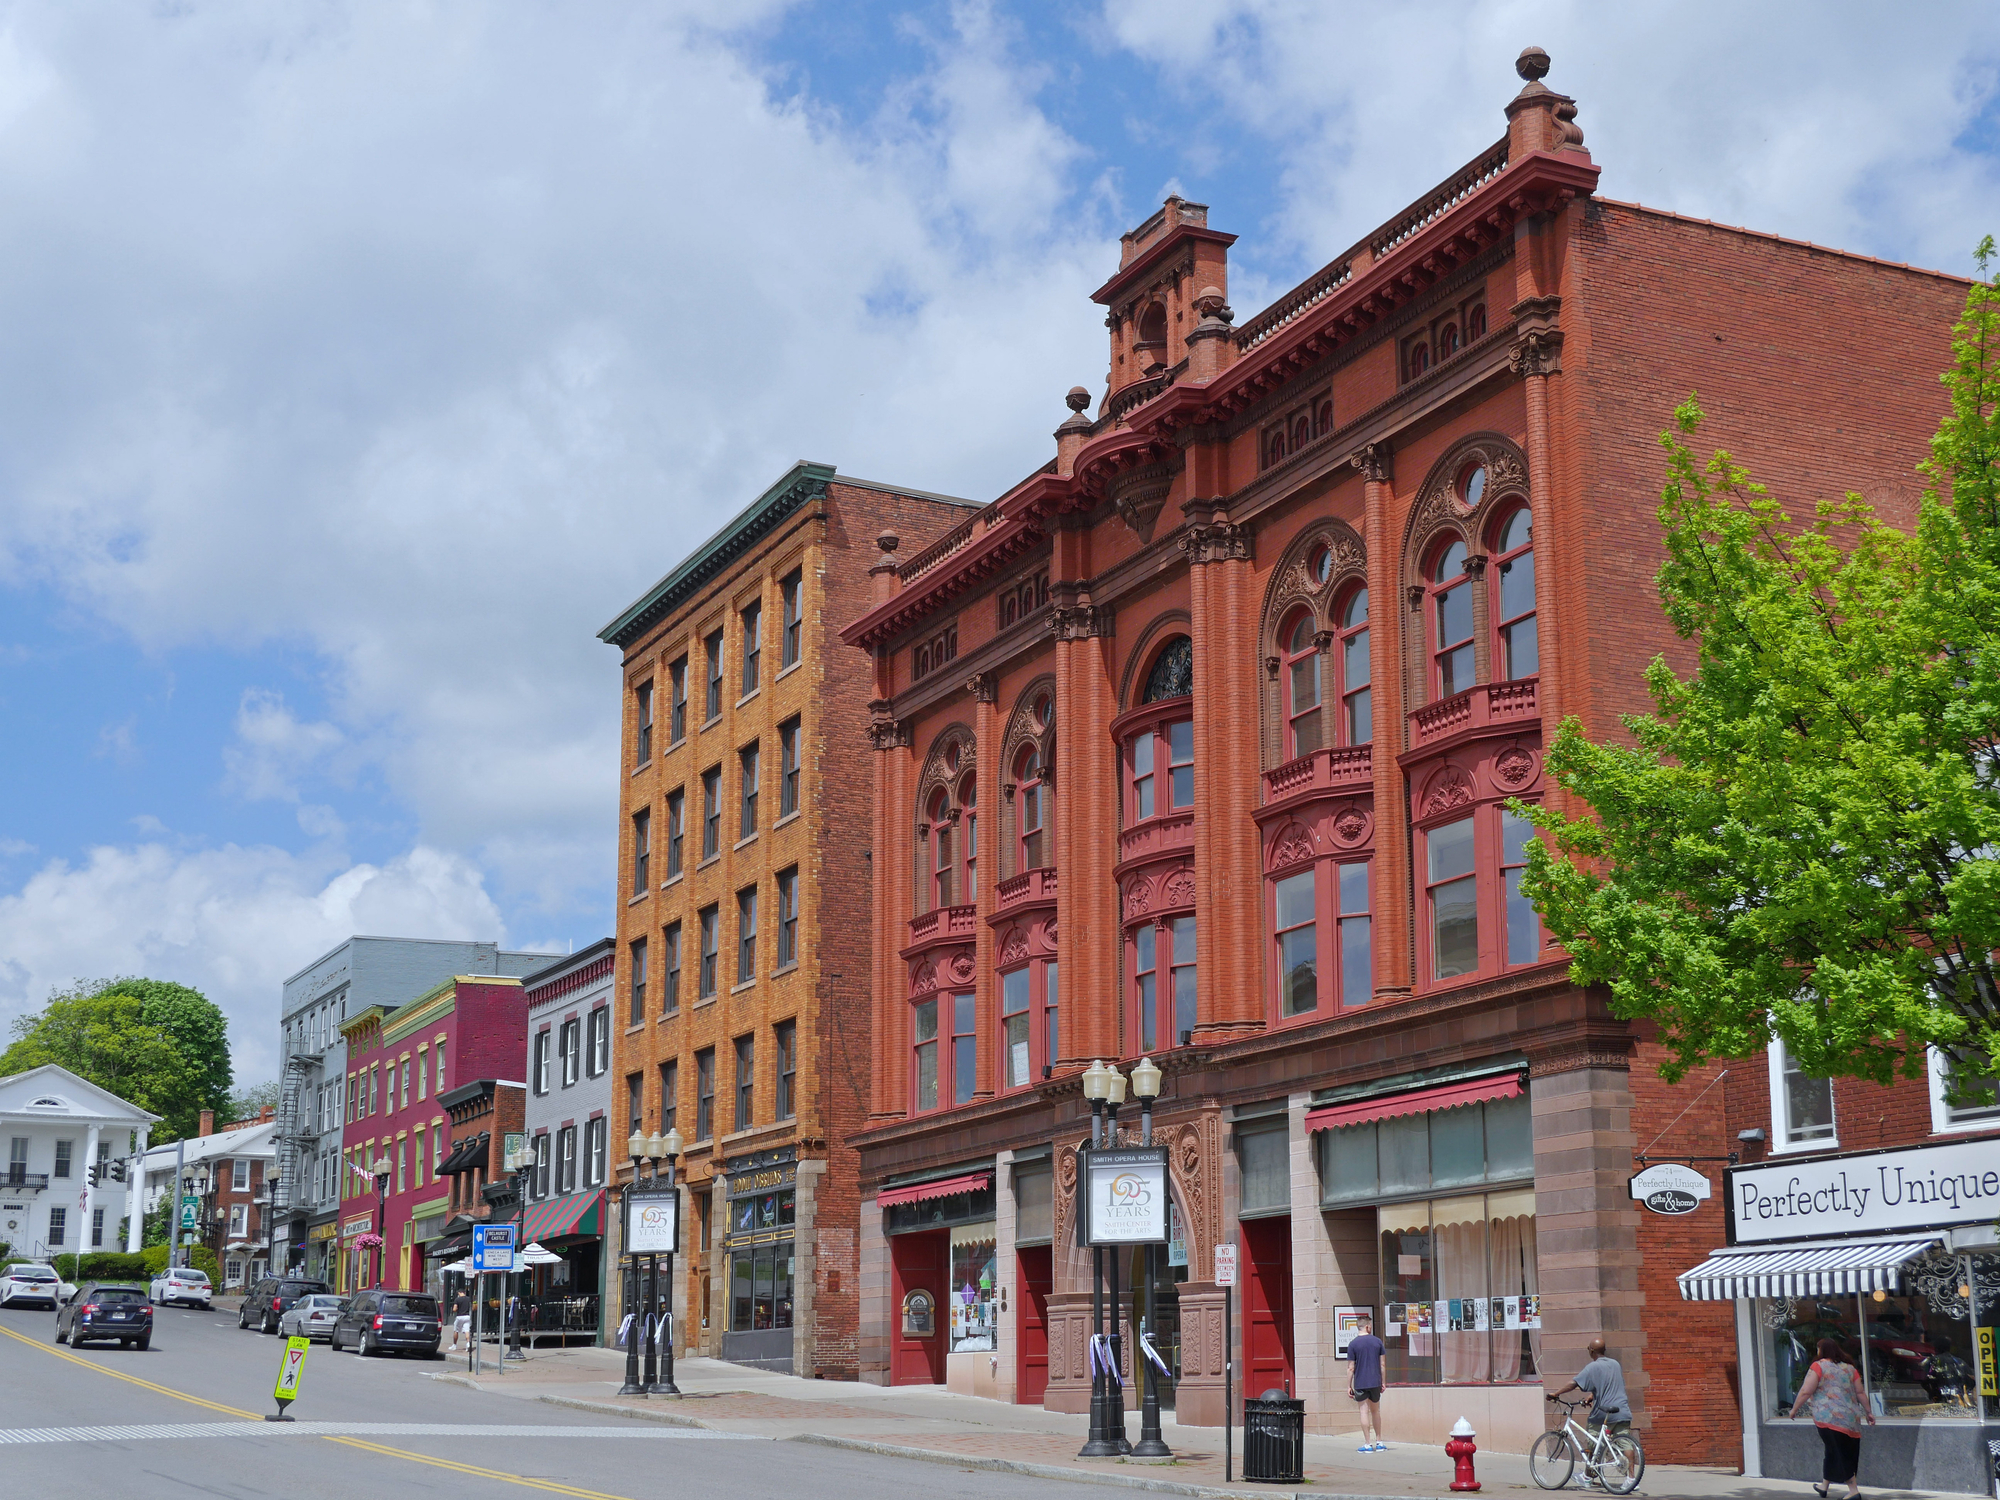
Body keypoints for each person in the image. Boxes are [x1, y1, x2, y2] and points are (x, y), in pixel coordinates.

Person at [1789, 1336, 1872, 1498]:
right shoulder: (1850, 1369)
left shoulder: (1818, 1366)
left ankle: (1853, 1491)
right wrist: (1868, 1412)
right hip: (1851, 1420)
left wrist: (1794, 1409)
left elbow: (1806, 1391)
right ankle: (1824, 1486)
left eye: (1818, 1349)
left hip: (1829, 1418)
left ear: (1822, 1350)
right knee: (1834, 1450)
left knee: (1837, 1451)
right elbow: (1860, 1392)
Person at [1556, 1339, 1632, 1442]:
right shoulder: (1615, 1364)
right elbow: (1610, 1385)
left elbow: (1574, 1383)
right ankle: (1631, 1459)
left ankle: (1594, 1457)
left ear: (1591, 1351)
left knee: (1593, 1436)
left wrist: (1555, 1394)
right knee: (1626, 1444)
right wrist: (1591, 1396)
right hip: (1622, 1411)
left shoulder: (1592, 1367)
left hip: (1603, 1413)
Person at [1345, 1312, 1388, 1452]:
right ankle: (1380, 1441)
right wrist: (1383, 1381)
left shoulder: (1353, 1344)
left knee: (1364, 1412)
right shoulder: (1377, 1342)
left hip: (1361, 1382)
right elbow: (1382, 1365)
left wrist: (1348, 1386)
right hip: (1375, 1381)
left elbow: (1351, 1367)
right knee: (1376, 1411)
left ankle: (1368, 1444)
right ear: (1368, 1327)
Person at [448, 1287, 471, 1352]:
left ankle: (454, 1345)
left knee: (456, 1330)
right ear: (464, 1292)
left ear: (459, 1293)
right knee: (467, 1330)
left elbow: (454, 1309)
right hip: (467, 1316)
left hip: (460, 1316)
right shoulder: (468, 1299)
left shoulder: (457, 1300)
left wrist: (456, 1309)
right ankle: (468, 1343)